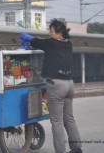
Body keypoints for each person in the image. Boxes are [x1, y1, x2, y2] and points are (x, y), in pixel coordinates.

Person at [20, 19, 82, 153]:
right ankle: (76, 148)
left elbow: (35, 42)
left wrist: (27, 38)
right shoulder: (69, 45)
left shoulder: (51, 44)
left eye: (51, 31)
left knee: (57, 121)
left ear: (59, 33)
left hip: (56, 85)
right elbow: (45, 43)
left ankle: (60, 151)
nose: (49, 33)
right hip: (69, 85)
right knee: (69, 118)